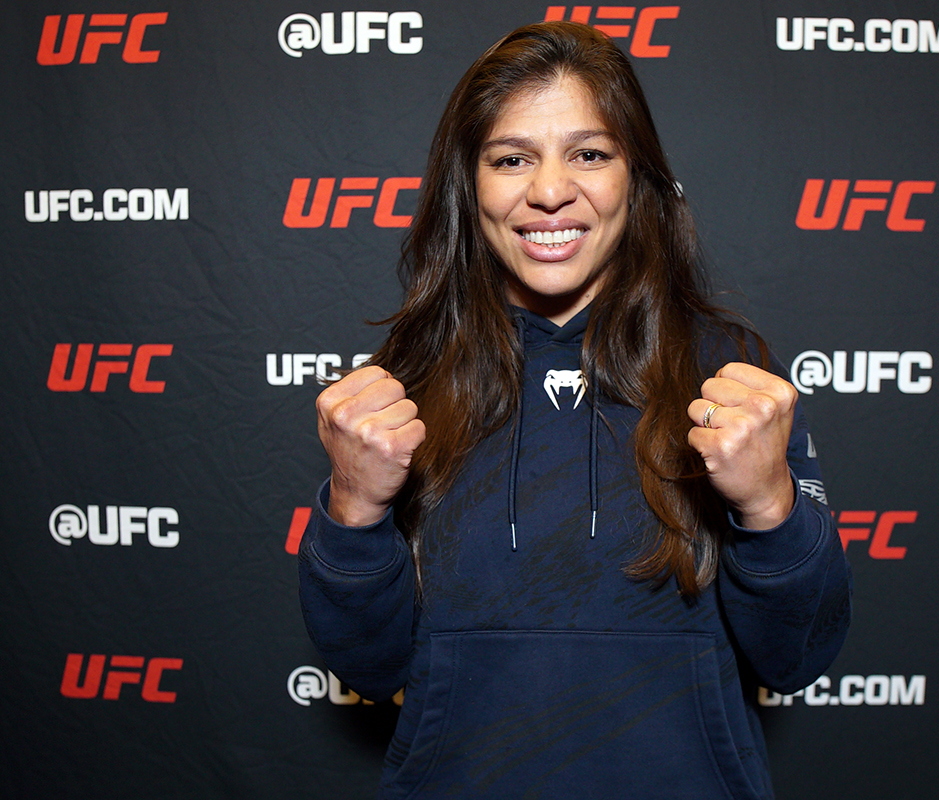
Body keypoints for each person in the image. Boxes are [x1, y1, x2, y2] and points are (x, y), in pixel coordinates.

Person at [298, 20, 851, 799]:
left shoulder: (729, 374)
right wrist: (353, 509)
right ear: (470, 183)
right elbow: (367, 665)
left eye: (589, 154)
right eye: (511, 158)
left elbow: (798, 660)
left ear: (639, 177)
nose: (550, 190)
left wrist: (770, 505)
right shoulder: (402, 385)